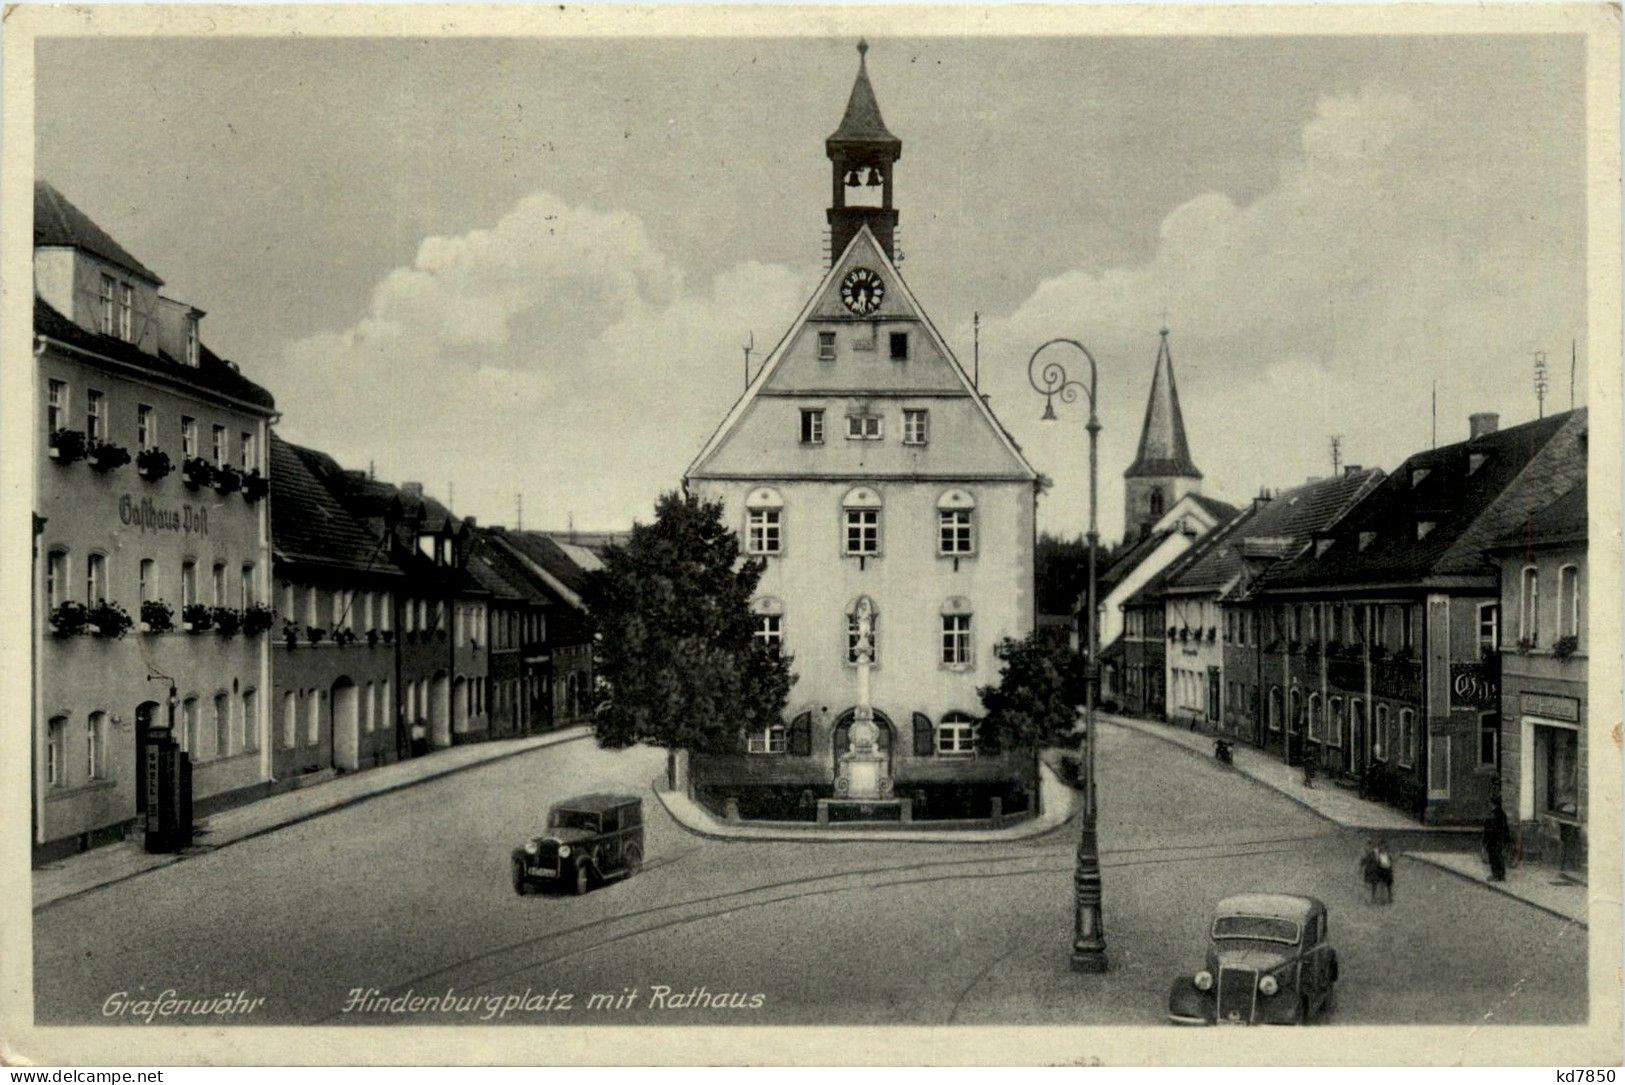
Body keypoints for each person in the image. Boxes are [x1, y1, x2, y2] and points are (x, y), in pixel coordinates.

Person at [1484, 797, 1511, 882]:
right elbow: (1506, 828)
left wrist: (1485, 841)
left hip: (1493, 839)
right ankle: (1500, 875)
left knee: (1494, 857)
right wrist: (1507, 839)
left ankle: (1496, 875)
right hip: (1500, 839)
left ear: (1493, 803)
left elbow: (1489, 829)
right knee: (1499, 856)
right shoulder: (1502, 814)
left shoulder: (1493, 815)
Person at [1360, 838, 1395, 903]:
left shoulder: (1386, 854)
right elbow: (1365, 861)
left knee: (1385, 885)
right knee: (1374, 884)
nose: (1382, 847)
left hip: (1383, 871)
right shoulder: (1374, 853)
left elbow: (1388, 862)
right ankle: (1374, 898)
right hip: (1376, 871)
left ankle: (1385, 898)